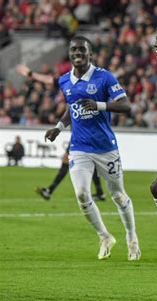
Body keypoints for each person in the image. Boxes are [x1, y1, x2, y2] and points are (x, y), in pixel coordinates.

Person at [44, 35, 140, 261]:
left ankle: (131, 237)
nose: (78, 53)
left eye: (82, 50)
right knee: (81, 193)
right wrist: (59, 127)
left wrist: (99, 105)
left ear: (90, 54)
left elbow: (126, 105)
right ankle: (105, 236)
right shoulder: (64, 81)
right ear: (70, 54)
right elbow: (71, 107)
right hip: (79, 148)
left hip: (106, 148)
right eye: (74, 50)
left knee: (117, 195)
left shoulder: (104, 77)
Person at [16, 64, 105, 201]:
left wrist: (31, 74)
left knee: (68, 159)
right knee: (84, 161)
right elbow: (50, 80)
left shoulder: (83, 85)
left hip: (84, 131)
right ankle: (99, 192)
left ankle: (50, 190)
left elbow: (50, 80)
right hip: (82, 131)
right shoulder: (78, 83)